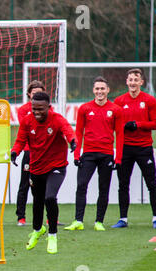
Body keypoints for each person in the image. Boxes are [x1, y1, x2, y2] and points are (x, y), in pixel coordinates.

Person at [11, 92, 76, 254]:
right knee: (38, 201)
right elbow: (20, 140)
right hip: (36, 167)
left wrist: (73, 141)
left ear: (48, 107)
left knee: (50, 197)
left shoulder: (57, 119)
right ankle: (37, 229)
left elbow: (68, 130)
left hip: (56, 166)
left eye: (40, 109)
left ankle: (52, 235)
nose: (36, 112)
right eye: (34, 109)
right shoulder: (27, 121)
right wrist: (15, 152)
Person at [65, 76, 124, 231]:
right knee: (81, 185)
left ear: (108, 90)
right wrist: (76, 154)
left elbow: (120, 135)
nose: (100, 91)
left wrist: (118, 158)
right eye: (97, 89)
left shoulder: (115, 110)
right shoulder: (84, 108)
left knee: (103, 188)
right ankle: (78, 220)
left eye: (102, 89)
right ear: (93, 90)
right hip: (89, 154)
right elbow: (78, 132)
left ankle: (99, 222)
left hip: (106, 155)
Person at [112, 68, 156, 229]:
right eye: (130, 80)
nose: (132, 83)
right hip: (125, 149)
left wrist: (137, 124)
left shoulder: (150, 100)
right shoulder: (119, 101)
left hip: (144, 148)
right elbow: (113, 124)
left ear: (141, 82)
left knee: (152, 183)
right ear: (127, 82)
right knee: (123, 184)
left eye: (135, 80)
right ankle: (123, 219)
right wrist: (121, 126)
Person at [14, 80, 46, 226]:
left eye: (39, 93)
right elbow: (27, 130)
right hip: (29, 152)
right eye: (34, 94)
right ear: (29, 94)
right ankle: (21, 217)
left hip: (44, 152)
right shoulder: (23, 110)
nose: (36, 96)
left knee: (45, 186)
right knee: (25, 184)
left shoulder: (48, 110)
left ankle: (50, 216)